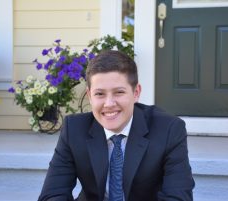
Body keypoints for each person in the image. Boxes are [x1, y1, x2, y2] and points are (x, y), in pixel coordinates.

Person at [38, 50, 195, 201]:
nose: (109, 104)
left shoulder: (168, 129)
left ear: (136, 93)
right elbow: (52, 194)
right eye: (100, 94)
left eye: (119, 92)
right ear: (89, 96)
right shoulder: (74, 129)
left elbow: (178, 196)